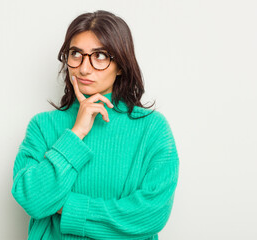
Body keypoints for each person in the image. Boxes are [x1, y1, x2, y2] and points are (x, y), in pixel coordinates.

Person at [11, 10, 179, 240]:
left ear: (120, 65)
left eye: (100, 56)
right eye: (76, 54)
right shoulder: (43, 126)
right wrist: (76, 133)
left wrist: (66, 208)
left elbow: (151, 215)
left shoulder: (152, 128)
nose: (84, 68)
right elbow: (32, 200)